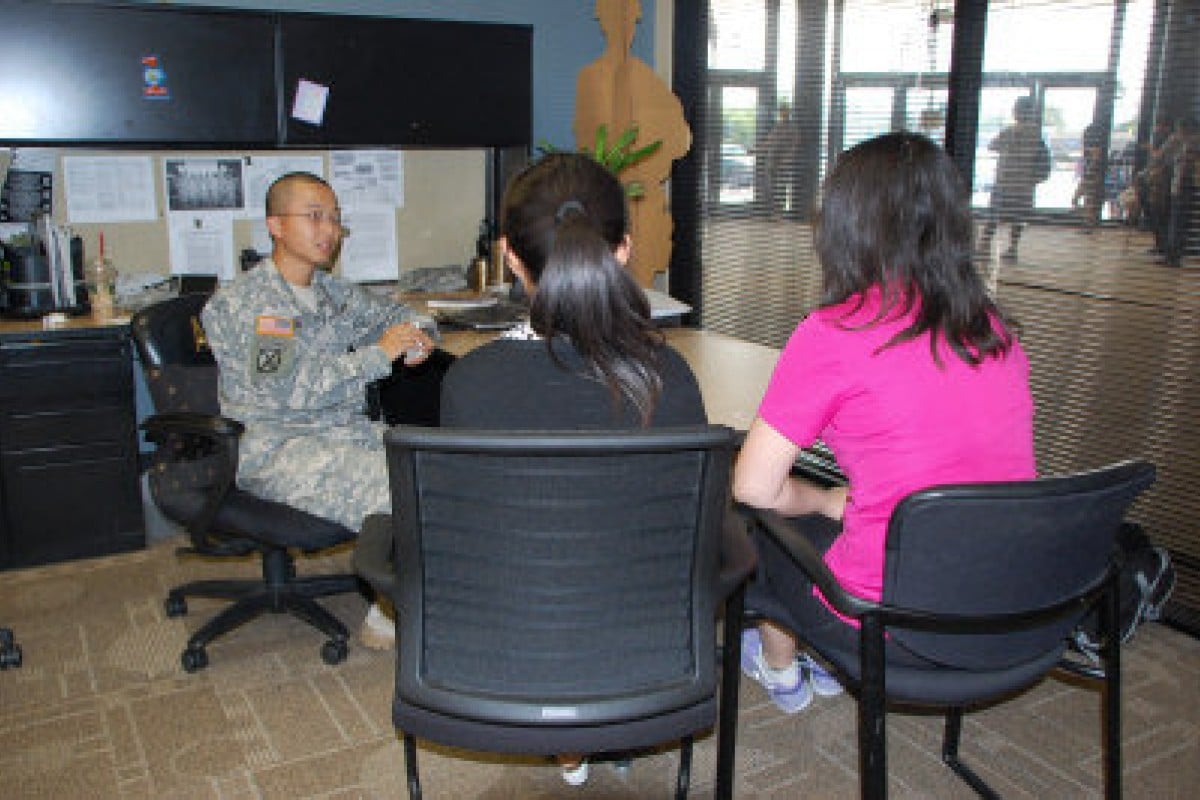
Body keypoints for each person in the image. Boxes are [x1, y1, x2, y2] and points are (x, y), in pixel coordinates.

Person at [731, 132, 1036, 715]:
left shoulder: (834, 331)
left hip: (892, 623)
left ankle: (783, 675)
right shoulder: (993, 328)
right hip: (1005, 606)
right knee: (851, 516)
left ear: (844, 225)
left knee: (759, 525)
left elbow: (754, 486)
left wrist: (824, 501)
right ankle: (822, 662)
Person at [439, 152, 706, 785]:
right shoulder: (670, 378)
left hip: (510, 644)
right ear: (622, 250)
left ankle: (569, 740)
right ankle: (599, 722)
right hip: (648, 643)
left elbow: (472, 532)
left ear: (508, 255)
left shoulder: (469, 383)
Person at [201, 171, 437, 651]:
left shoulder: (331, 292)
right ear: (276, 225)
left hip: (342, 432)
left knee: (432, 466)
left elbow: (395, 313)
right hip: (276, 445)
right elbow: (284, 395)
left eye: (335, 219)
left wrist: (418, 334)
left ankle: (428, 595)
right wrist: (379, 355)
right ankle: (389, 611)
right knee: (397, 488)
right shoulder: (252, 304)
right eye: (314, 217)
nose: (328, 230)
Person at [574, 0, 691, 287]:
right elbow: (585, 138)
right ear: (603, 22)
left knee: (642, 296)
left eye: (632, 18)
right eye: (615, 18)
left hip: (645, 201)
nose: (625, 26)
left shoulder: (644, 77)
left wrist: (649, 166)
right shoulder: (590, 77)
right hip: (606, 204)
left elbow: (679, 138)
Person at [980, 95, 1051, 261]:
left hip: (1005, 181)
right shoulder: (1036, 135)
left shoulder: (1009, 132)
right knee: (1018, 219)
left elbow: (992, 145)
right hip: (1024, 184)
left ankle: (984, 246)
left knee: (993, 216)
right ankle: (1012, 249)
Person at [762, 103, 803, 217]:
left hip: (783, 163)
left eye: (784, 111)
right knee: (771, 186)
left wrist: (787, 158)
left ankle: (779, 212)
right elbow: (769, 141)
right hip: (772, 161)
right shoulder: (777, 127)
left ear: (788, 113)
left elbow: (795, 145)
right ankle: (773, 211)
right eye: (780, 112)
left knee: (781, 186)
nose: (782, 114)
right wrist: (756, 150)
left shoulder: (793, 128)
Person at [1072, 120, 1106, 231]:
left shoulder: (1095, 153)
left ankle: (1089, 224)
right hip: (1090, 181)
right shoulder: (1092, 153)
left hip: (1091, 182)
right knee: (1085, 202)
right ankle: (1089, 223)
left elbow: (1092, 169)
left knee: (1088, 202)